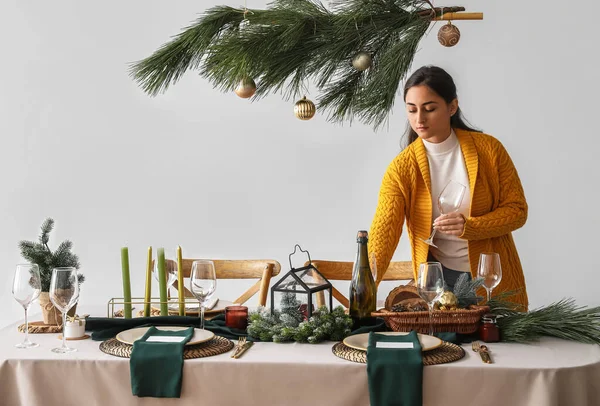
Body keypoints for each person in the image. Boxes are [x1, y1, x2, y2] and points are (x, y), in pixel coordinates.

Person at [368, 65, 528, 309]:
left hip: (491, 279)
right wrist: (366, 289)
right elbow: (384, 234)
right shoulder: (401, 169)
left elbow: (517, 211)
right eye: (411, 110)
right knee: (445, 347)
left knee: (501, 345)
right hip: (439, 284)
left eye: (429, 109)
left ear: (452, 107)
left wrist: (471, 227)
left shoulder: (490, 150)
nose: (418, 119)